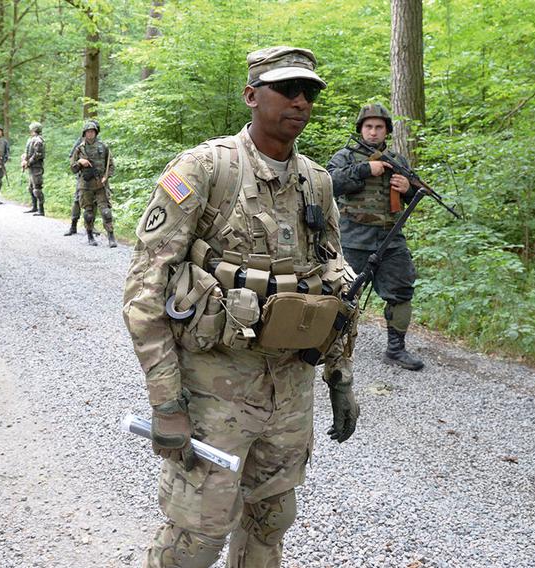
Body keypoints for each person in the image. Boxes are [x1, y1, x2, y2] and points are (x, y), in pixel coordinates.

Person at [122, 46, 360, 568]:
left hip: (289, 390)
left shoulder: (316, 182)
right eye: (287, 89)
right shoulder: (205, 170)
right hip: (214, 391)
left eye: (310, 92)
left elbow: (336, 287)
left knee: (271, 524)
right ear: (252, 95)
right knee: (197, 538)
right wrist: (165, 401)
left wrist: (340, 377)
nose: (301, 100)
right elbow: (144, 289)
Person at [326, 103, 424, 371]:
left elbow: (415, 194)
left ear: (386, 131)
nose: (373, 132)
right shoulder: (345, 156)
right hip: (353, 239)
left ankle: (396, 349)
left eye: (378, 127)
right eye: (368, 127)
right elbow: (328, 183)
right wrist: (365, 170)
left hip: (391, 239)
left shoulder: (397, 160)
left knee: (402, 290)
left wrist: (406, 189)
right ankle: (326, 344)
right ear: (361, 129)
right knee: (341, 292)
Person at [69, 120, 116, 247]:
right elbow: (73, 169)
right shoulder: (79, 149)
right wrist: (80, 162)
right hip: (85, 185)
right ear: (84, 133)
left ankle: (111, 237)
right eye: (88, 132)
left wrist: (106, 177)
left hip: (100, 184)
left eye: (92, 131)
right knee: (88, 213)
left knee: (106, 211)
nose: (90, 134)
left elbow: (110, 165)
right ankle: (90, 236)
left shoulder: (103, 147)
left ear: (96, 133)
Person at [21, 121, 45, 216]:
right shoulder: (31, 139)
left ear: (35, 129)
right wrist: (24, 159)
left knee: (37, 188)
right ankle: (34, 207)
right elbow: (28, 152)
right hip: (31, 167)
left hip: (37, 167)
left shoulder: (38, 140)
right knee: (31, 188)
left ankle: (41, 210)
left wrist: (28, 162)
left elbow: (37, 155)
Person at [63, 134, 84, 236]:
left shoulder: (99, 143)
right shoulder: (81, 140)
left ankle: (90, 226)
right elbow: (72, 155)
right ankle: (73, 225)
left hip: (95, 178)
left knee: (93, 203)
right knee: (77, 200)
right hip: (82, 176)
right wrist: (77, 165)